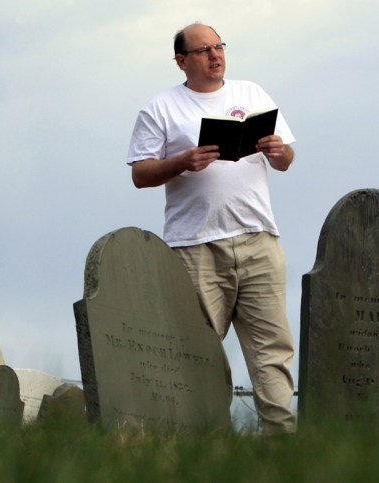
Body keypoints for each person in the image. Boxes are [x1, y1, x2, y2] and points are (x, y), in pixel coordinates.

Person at [126, 22, 297, 435]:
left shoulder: (251, 93)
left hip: (258, 239)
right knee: (196, 354)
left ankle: (283, 451)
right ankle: (205, 450)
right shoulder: (161, 108)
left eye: (219, 46)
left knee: (273, 352)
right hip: (195, 246)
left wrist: (278, 151)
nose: (214, 55)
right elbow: (141, 174)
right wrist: (182, 162)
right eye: (203, 50)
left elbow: (287, 158)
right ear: (182, 61)